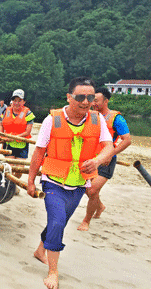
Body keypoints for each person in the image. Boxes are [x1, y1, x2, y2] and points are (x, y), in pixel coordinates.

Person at [27, 77, 114, 289]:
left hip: (78, 184)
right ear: (69, 96)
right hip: (53, 181)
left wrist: (97, 161)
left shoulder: (97, 120)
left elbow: (109, 147)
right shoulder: (52, 120)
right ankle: (53, 272)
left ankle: (41, 250)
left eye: (90, 97)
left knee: (60, 221)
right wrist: (31, 181)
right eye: (80, 97)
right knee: (57, 222)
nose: (86, 102)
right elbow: (39, 152)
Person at [77, 87, 132, 231]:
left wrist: (109, 154)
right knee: (86, 189)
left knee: (93, 190)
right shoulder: (88, 115)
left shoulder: (117, 118)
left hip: (106, 159)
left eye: (96, 100)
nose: (92, 103)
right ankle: (99, 206)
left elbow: (127, 140)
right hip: (88, 157)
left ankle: (86, 221)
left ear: (106, 101)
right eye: (91, 100)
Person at [0, 89, 35, 179]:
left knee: (19, 170)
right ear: (12, 101)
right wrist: (0, 137)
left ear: (24, 101)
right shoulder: (5, 111)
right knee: (10, 168)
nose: (17, 103)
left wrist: (14, 137)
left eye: (19, 100)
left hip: (22, 145)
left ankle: (13, 183)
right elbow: (1, 125)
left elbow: (28, 132)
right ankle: (11, 187)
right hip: (8, 144)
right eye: (15, 100)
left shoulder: (28, 113)